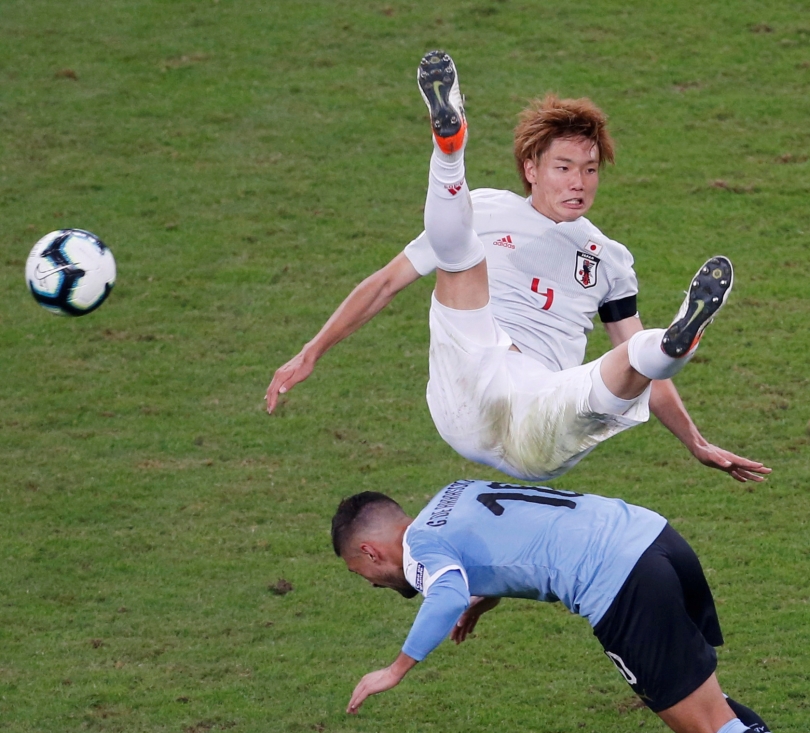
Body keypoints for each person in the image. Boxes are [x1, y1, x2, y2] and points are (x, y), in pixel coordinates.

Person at [266, 50, 770, 484]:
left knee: (638, 355)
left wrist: (696, 442)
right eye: (565, 167)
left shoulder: (609, 259)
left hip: (540, 405)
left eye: (590, 170)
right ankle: (449, 150)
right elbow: (385, 284)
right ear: (531, 170)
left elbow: (646, 381)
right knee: (462, 252)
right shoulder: (486, 209)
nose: (580, 182)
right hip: (469, 381)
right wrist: (313, 350)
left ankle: (678, 337)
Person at [333, 482, 770, 733]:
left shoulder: (418, 548)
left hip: (621, 580)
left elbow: (444, 592)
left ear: (371, 552)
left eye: (359, 573)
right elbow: (513, 535)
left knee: (702, 724)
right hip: (654, 536)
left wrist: (395, 670)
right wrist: (485, 596)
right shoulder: (451, 496)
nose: (372, 584)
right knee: (710, 702)